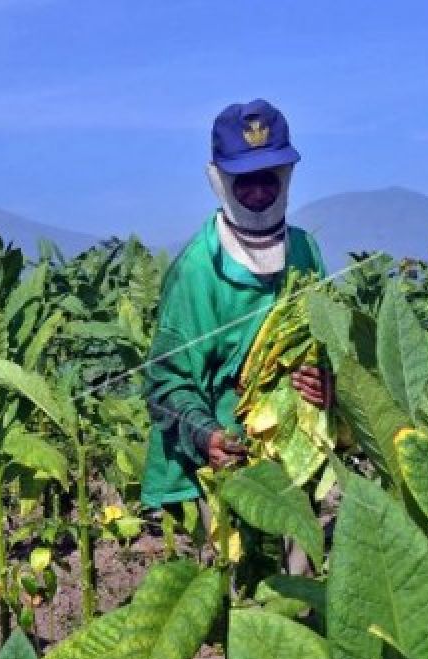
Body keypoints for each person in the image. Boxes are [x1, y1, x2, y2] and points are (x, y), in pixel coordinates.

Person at [140, 98, 332, 543]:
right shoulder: (197, 270)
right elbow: (163, 382)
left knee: (300, 590)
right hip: (216, 460)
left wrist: (328, 382)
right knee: (232, 595)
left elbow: (327, 345)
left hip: (295, 454)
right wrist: (206, 435)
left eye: (269, 179)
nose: (259, 192)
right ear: (221, 182)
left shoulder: (305, 251)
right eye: (245, 182)